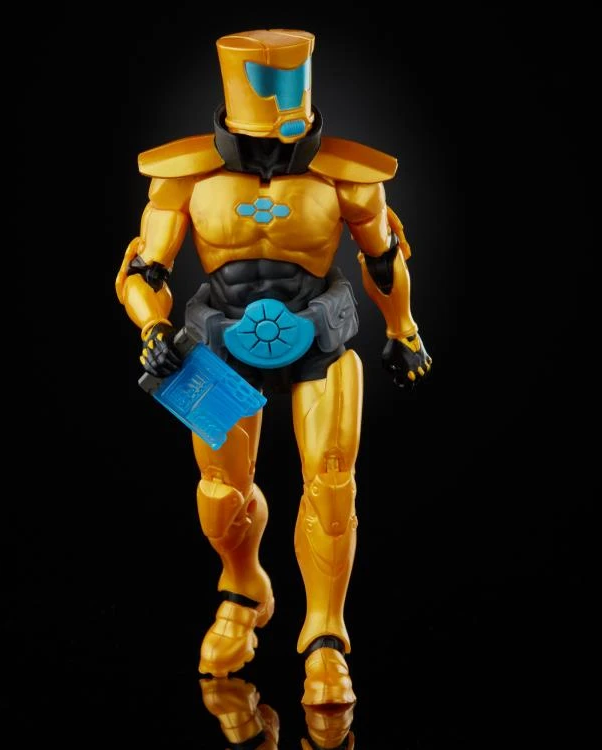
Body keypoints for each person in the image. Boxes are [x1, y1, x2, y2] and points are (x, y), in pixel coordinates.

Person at [115, 28, 431, 706]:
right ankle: (242, 589)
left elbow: (384, 260)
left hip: (320, 335)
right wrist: (153, 326)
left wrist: (402, 328)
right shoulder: (184, 177)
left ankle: (325, 638)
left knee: (333, 485)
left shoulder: (347, 176)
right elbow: (144, 270)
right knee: (219, 493)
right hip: (217, 340)